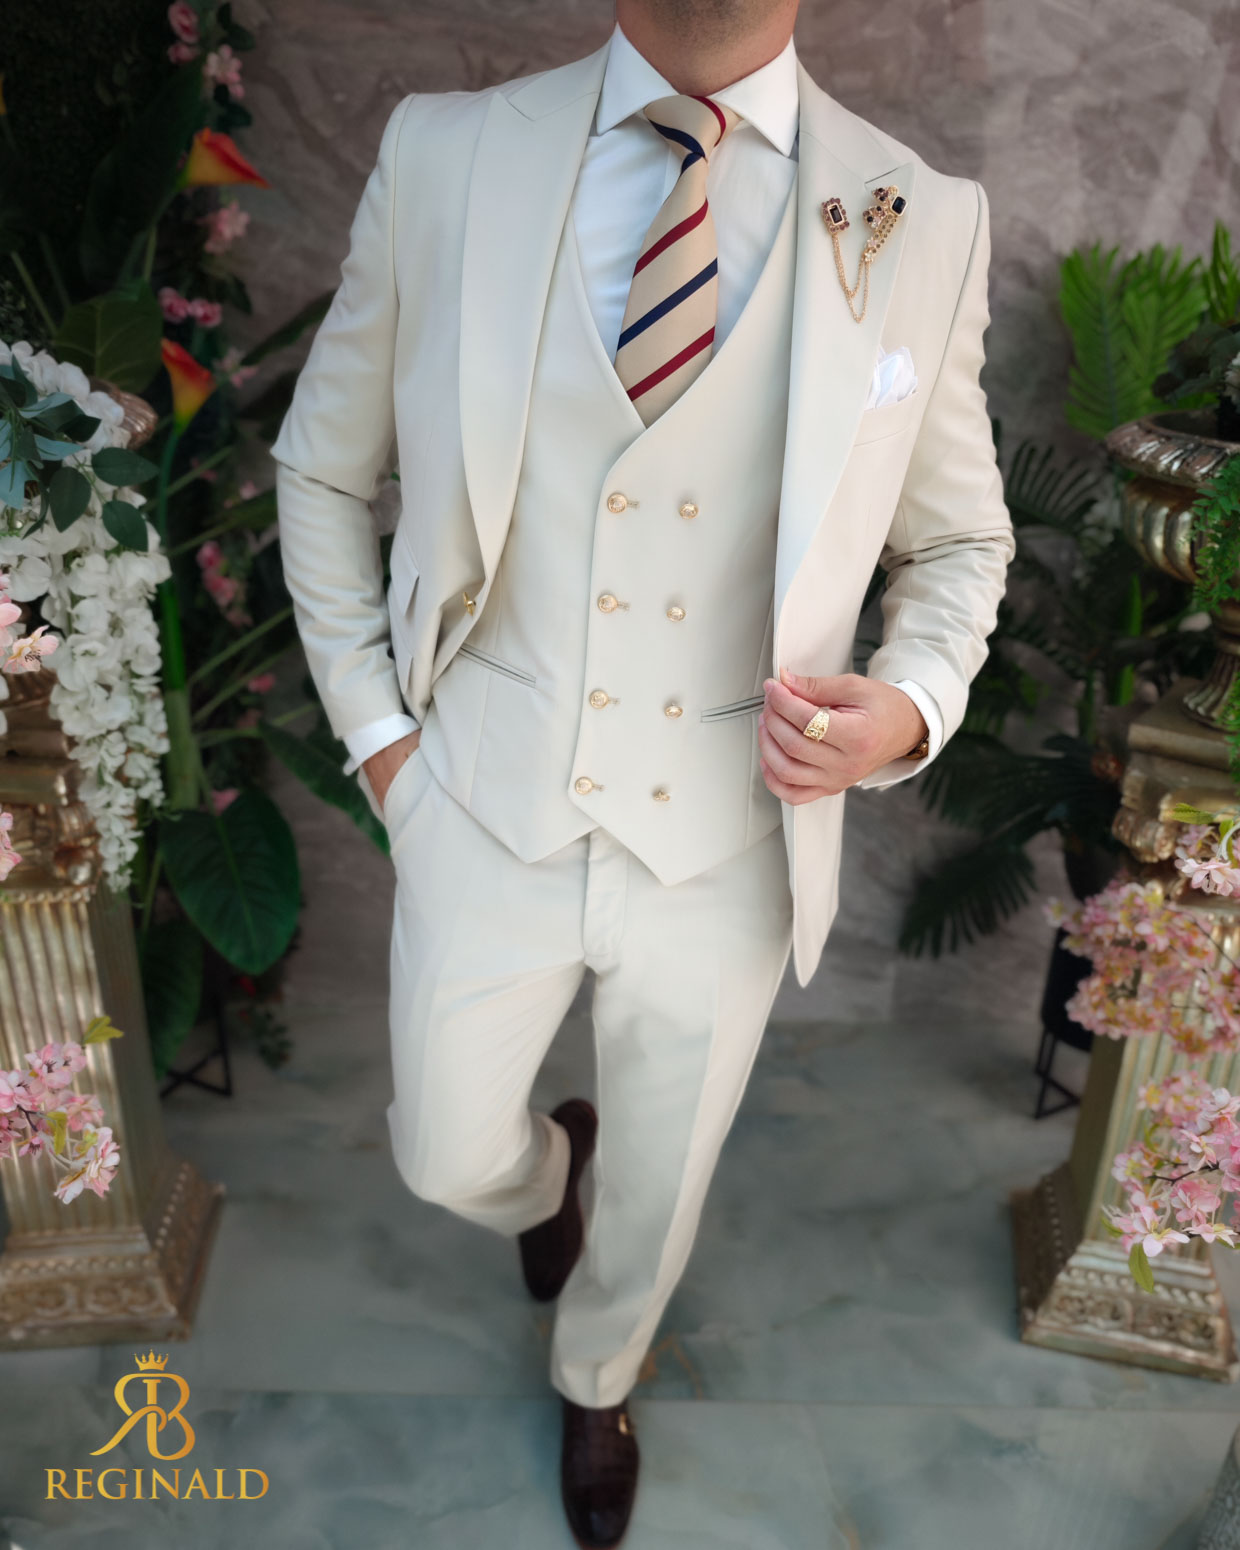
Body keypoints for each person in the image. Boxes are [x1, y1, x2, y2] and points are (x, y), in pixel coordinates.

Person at [272, 0, 1013, 1541]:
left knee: (666, 1185)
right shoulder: (447, 155)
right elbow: (323, 468)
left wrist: (912, 704)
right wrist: (385, 748)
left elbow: (958, 538)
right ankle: (549, 1175)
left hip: (731, 831)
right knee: (442, 1150)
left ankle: (597, 1370)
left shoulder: (921, 218)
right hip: (482, 789)